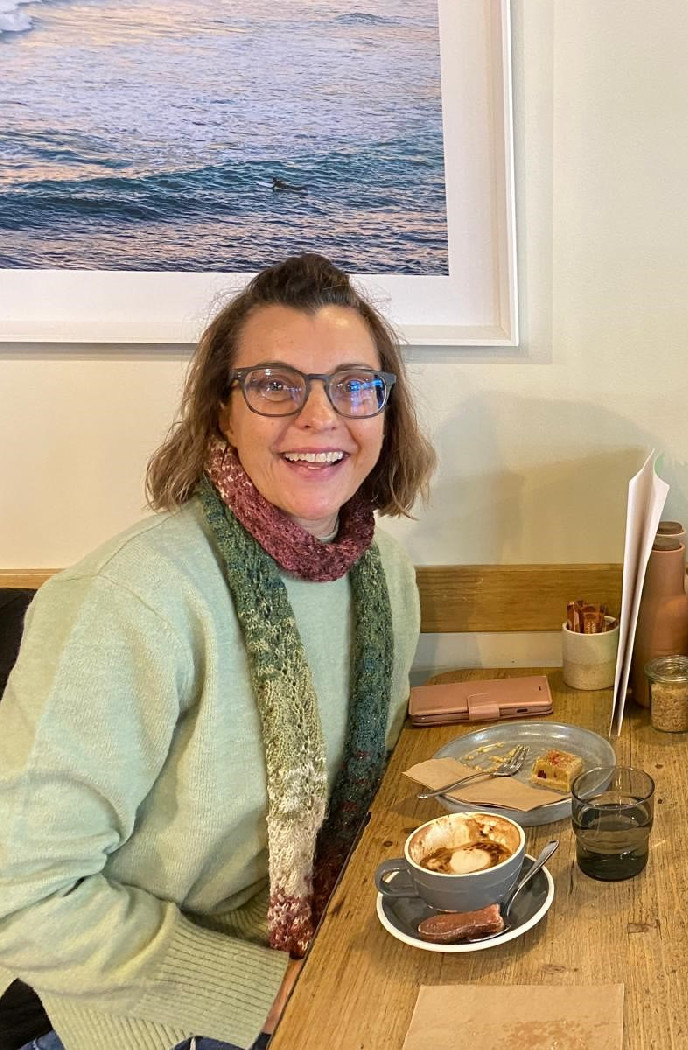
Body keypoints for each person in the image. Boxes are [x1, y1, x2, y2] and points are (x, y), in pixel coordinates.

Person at [0, 253, 436, 1050]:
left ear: (385, 409)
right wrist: (270, 995)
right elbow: (19, 895)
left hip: (327, 949)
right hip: (152, 1018)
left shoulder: (384, 574)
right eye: (275, 385)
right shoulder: (129, 601)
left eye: (354, 385)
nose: (320, 417)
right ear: (221, 412)